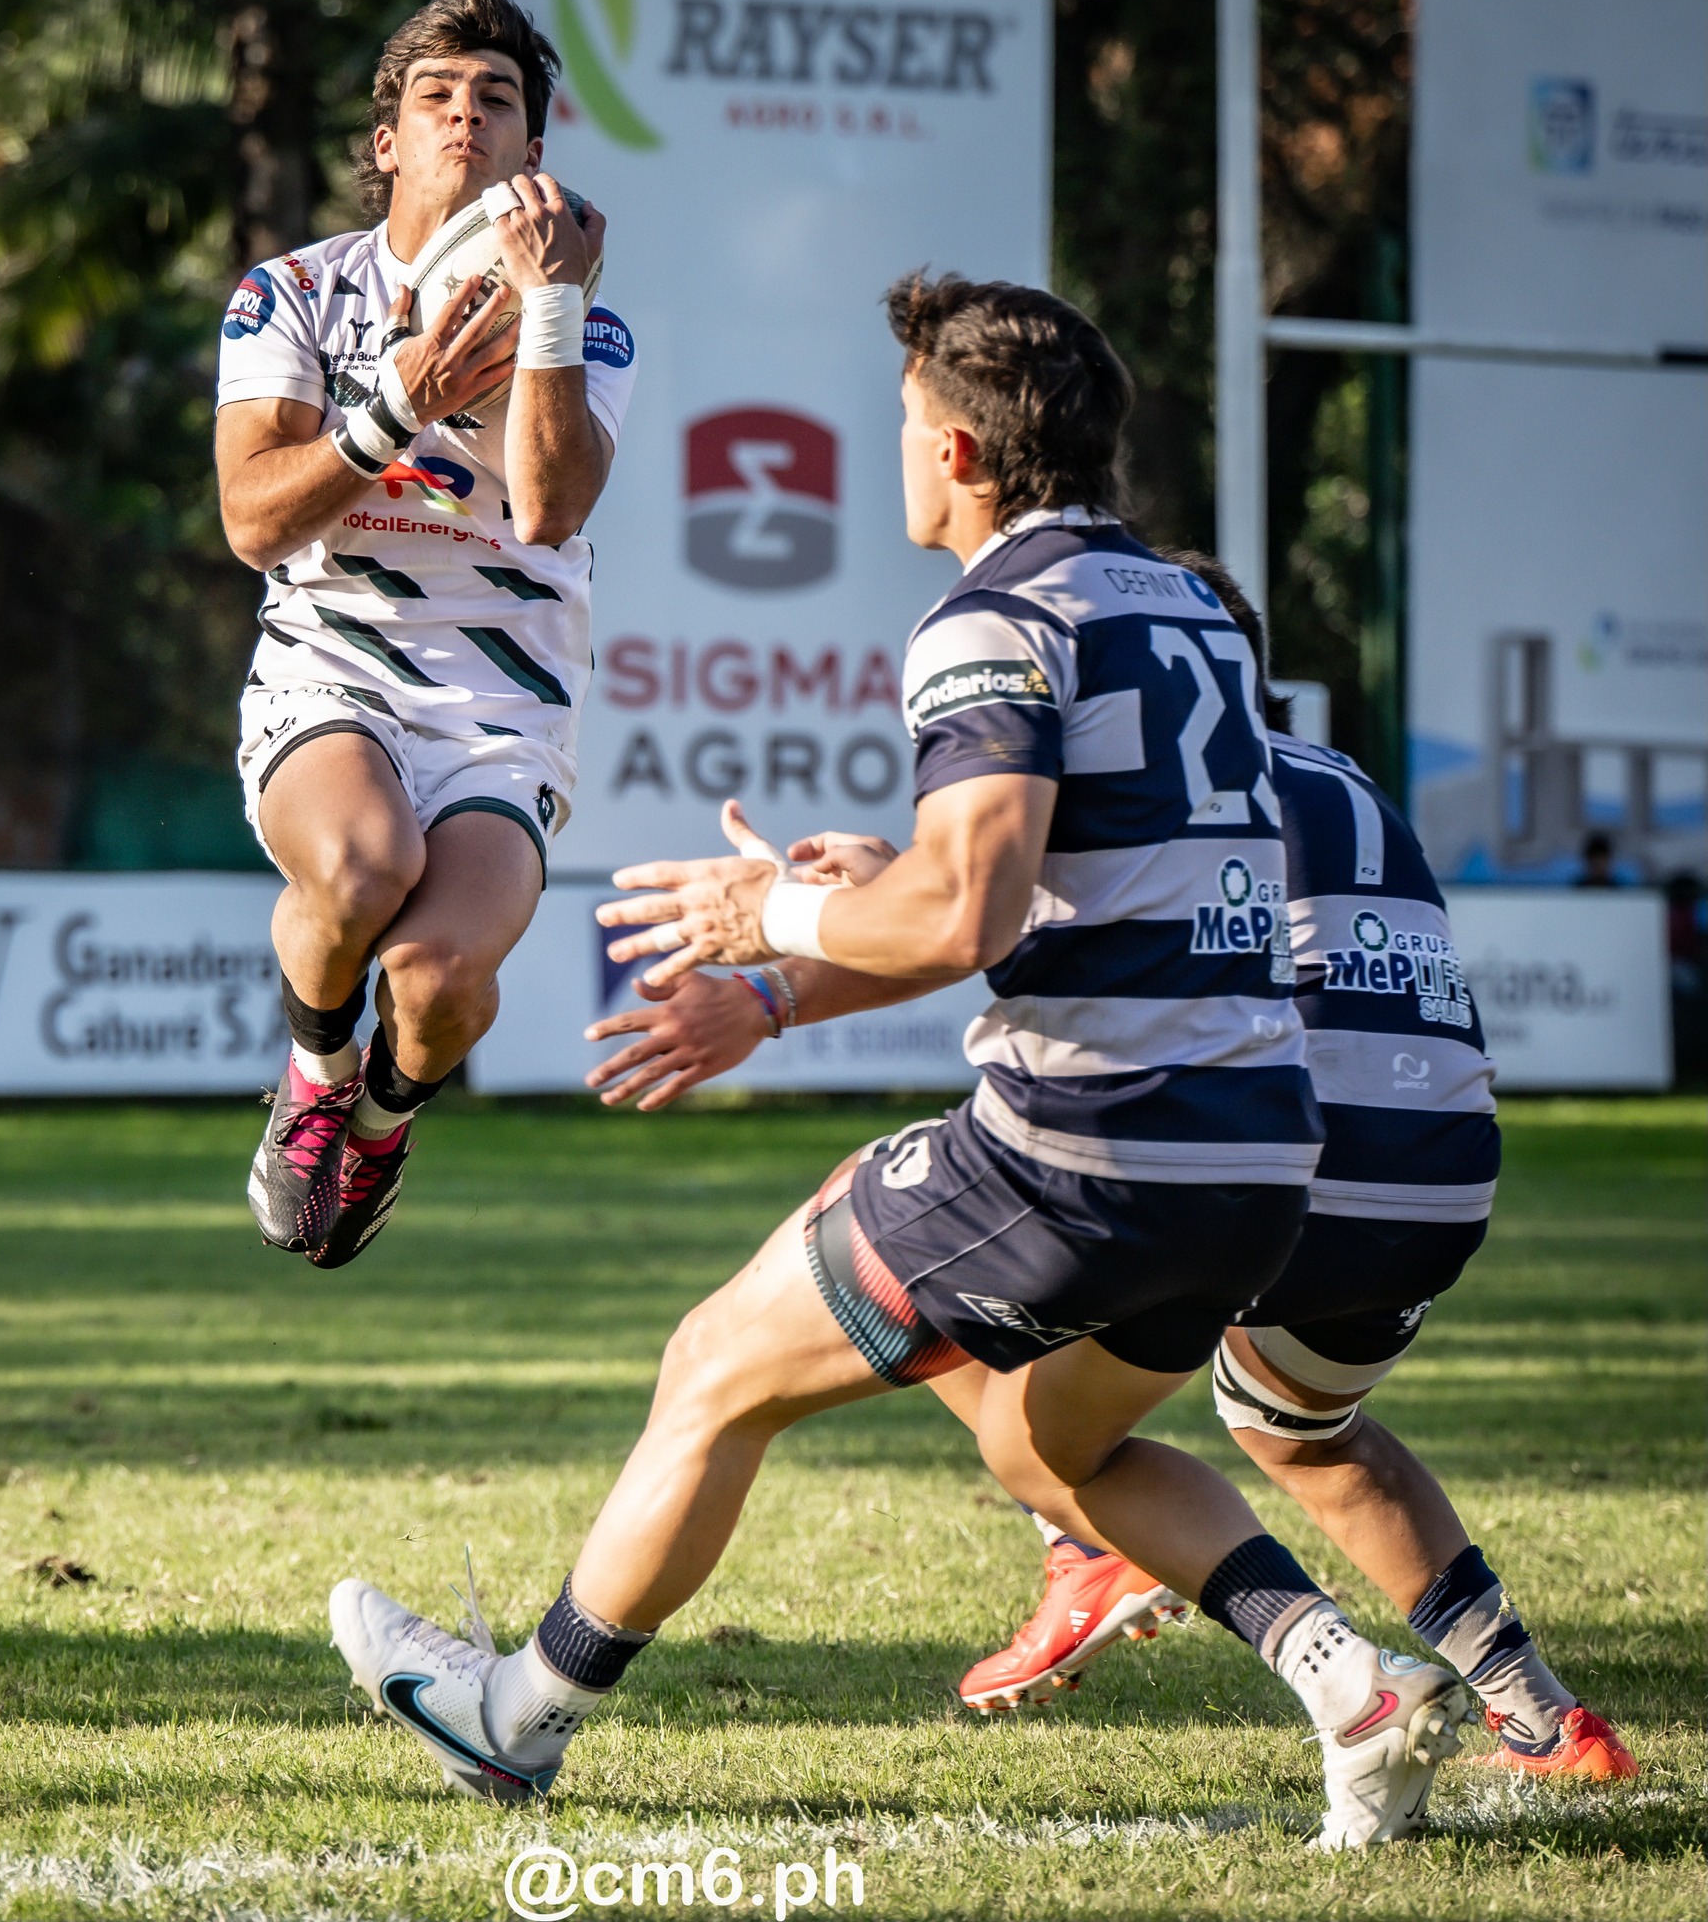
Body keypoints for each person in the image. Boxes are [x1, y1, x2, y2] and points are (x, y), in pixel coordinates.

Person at [328, 274, 1476, 1849]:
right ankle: (1355, 1686)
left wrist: (774, 903)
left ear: (956, 450)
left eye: (900, 423)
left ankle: (516, 1720)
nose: (894, 451)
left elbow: (970, 910)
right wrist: (865, 901)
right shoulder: (1190, 605)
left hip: (1093, 1148)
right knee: (1048, 1439)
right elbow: (1085, 872)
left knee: (715, 1371)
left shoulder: (991, 621)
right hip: (1261, 1150)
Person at [587, 553, 1637, 1786]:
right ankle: (1541, 1713)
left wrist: (782, 971)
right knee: (1298, 1429)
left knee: (919, 1248)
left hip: (1275, 1163)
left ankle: (1084, 1538)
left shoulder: (1166, 792)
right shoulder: (1339, 776)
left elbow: (976, 923)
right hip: (1439, 1179)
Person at [213, 0, 634, 1267]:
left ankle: (383, 1127)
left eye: (496, 99)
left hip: (502, 697)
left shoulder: (585, 317)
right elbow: (251, 519)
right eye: (435, 96)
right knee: (355, 868)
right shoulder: (289, 292)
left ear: (533, 157)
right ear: (386, 139)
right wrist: (388, 408)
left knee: (444, 983)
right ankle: (314, 1080)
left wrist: (547, 312)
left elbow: (553, 509)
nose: (466, 115)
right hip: (330, 660)